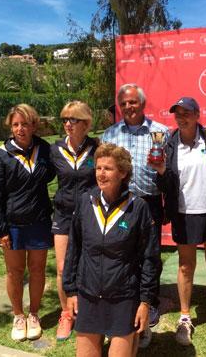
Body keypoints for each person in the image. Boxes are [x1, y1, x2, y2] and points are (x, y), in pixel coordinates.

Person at [150, 97, 206, 346]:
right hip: (184, 213)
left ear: (197, 115)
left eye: (186, 113)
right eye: (178, 114)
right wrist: (161, 171)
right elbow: (164, 185)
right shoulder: (169, 143)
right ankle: (185, 317)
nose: (181, 117)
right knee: (186, 266)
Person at [63, 143, 161, 357]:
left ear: (123, 173)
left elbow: (150, 258)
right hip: (88, 295)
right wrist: (70, 291)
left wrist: (145, 302)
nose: (101, 173)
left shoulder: (138, 208)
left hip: (123, 298)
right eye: (98, 168)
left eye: (108, 168)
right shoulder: (85, 202)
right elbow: (74, 249)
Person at [101, 83, 169, 347]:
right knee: (120, 259)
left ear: (143, 104)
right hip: (118, 204)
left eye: (133, 102)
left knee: (149, 259)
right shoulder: (109, 134)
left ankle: (147, 314)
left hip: (149, 203)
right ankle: (118, 314)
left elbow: (168, 174)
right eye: (124, 103)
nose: (129, 107)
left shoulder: (160, 132)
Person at [0, 104, 55, 341]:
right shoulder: (0, 155)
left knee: (37, 270)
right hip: (12, 225)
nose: (20, 129)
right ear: (10, 126)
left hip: (39, 221)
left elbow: (56, 173)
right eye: (15, 124)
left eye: (25, 124)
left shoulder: (45, 150)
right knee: (14, 272)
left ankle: (33, 314)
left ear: (34, 125)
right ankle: (18, 315)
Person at [50, 101, 97, 341]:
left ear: (86, 124)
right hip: (64, 215)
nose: (67, 124)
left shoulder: (97, 148)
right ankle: (66, 314)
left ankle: (87, 311)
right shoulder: (55, 150)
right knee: (62, 268)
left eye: (73, 120)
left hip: (91, 215)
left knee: (88, 266)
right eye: (65, 119)